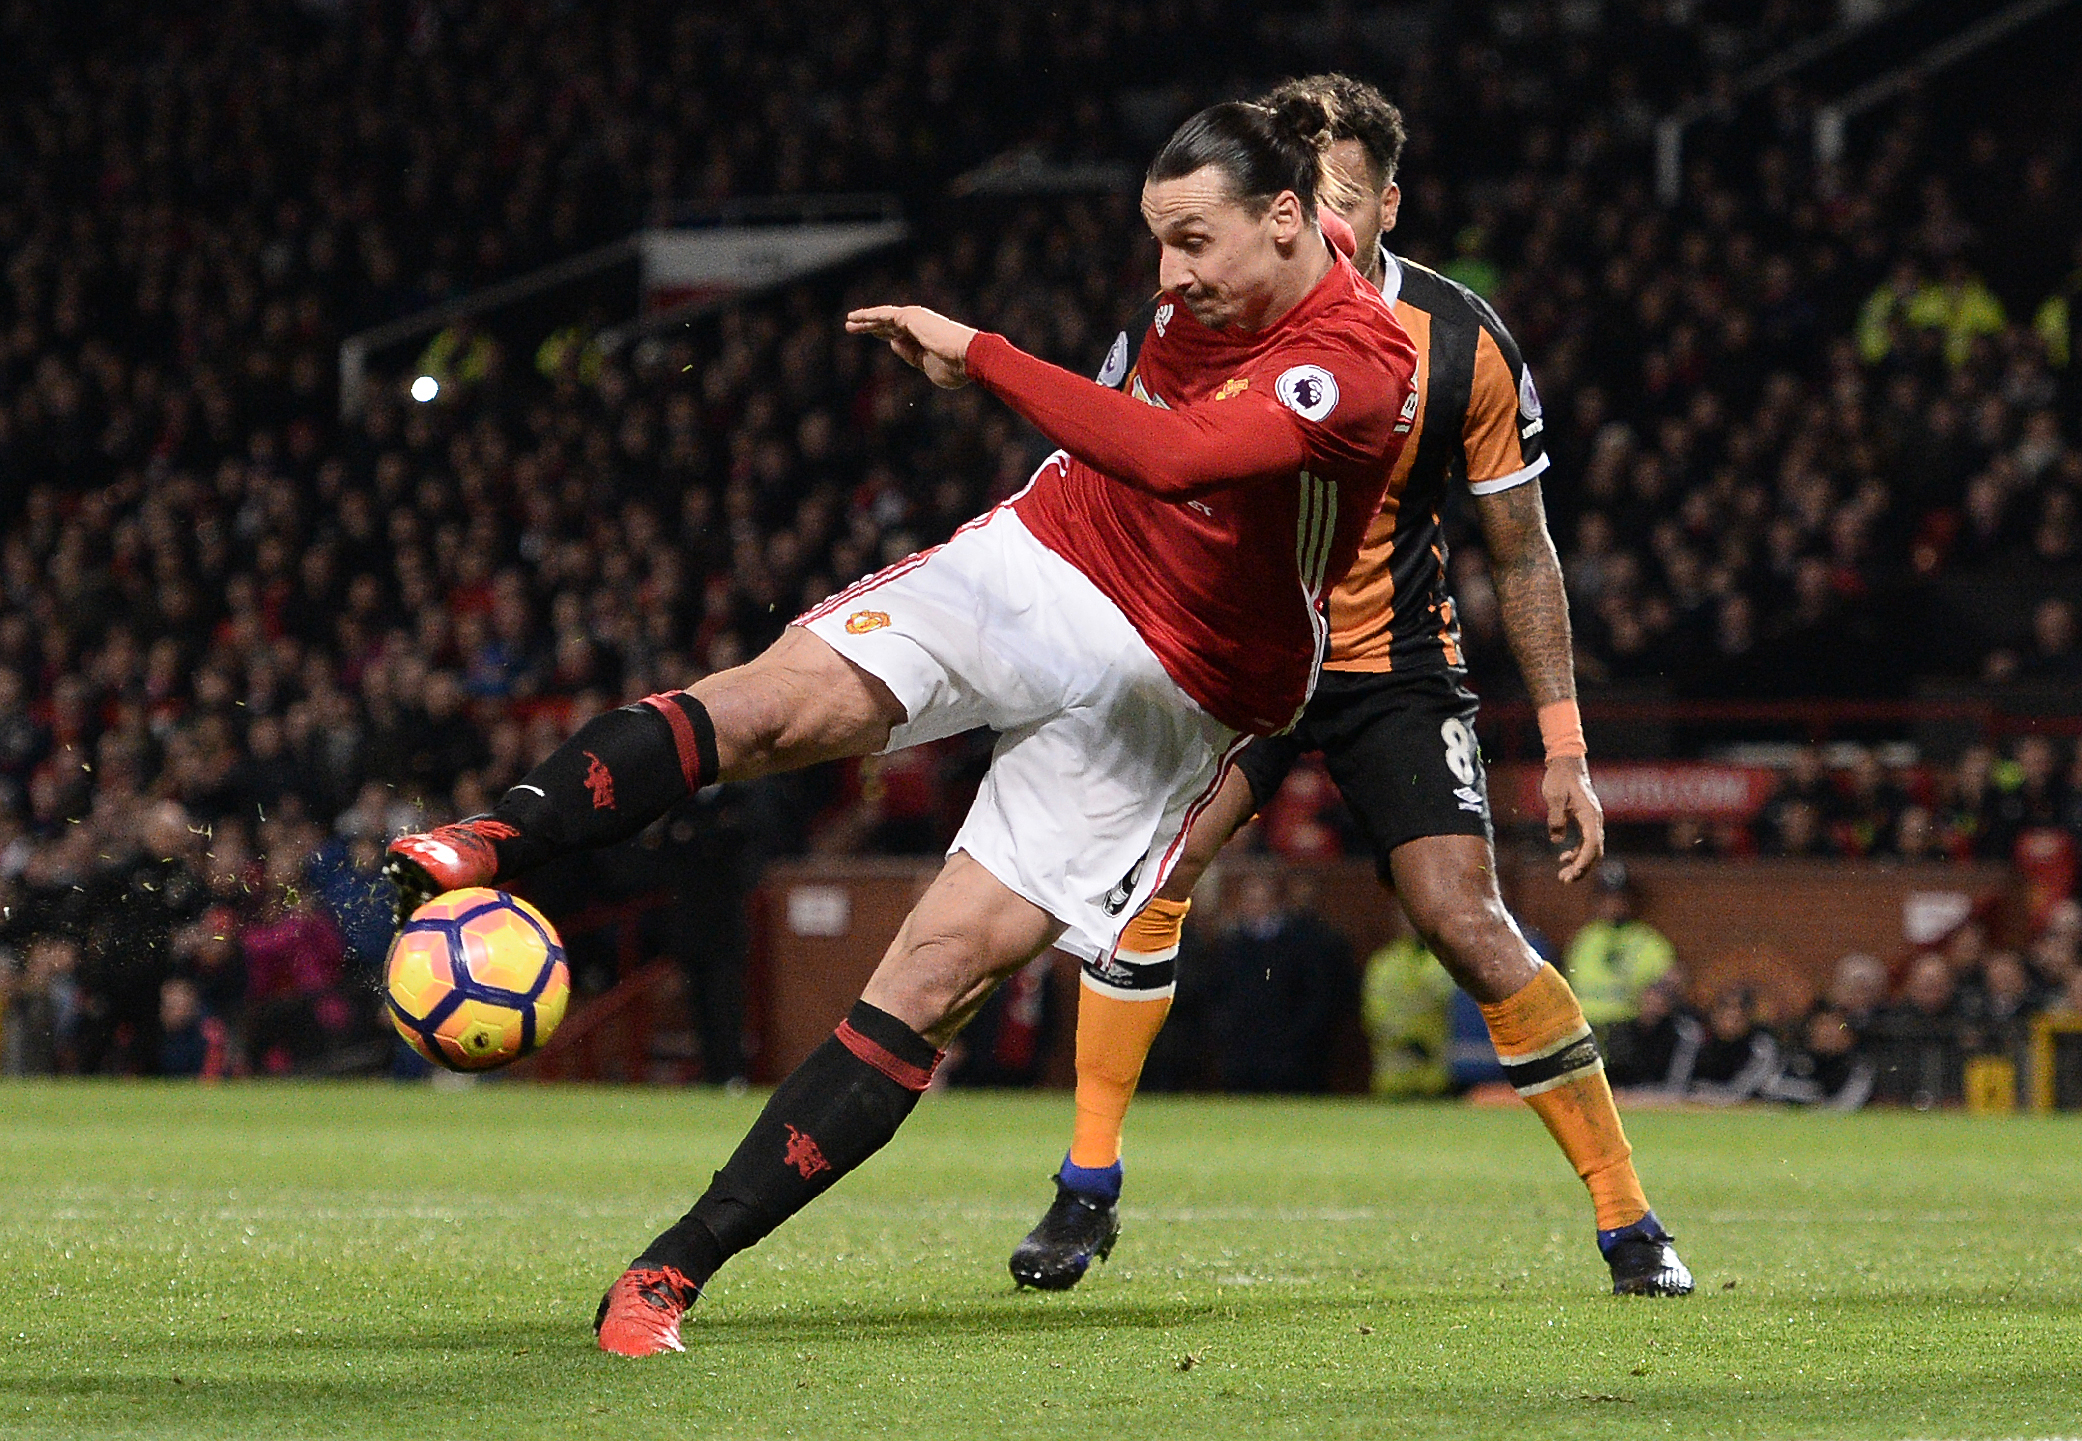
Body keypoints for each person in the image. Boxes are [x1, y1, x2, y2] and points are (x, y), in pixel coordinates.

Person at [383, 94, 1419, 1356]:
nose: (1170, 273)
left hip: (1188, 687)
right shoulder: (1198, 291)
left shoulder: (1362, 358)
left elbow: (1183, 459)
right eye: (1157, 240)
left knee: (939, 975)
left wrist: (981, 353)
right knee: (770, 706)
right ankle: (488, 843)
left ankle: (668, 1272)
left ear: (1288, 218)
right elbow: (1123, 454)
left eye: (1195, 241)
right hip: (1054, 555)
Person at [1008, 73, 1691, 1303]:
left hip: (1392, 666)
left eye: (1340, 198)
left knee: (1466, 925)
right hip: (1232, 652)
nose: (1317, 223)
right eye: (1297, 197)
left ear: (1386, 201)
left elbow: (1520, 547)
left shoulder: (1463, 339)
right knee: (1144, 891)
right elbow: (1106, 473)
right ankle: (1086, 1186)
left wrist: (1569, 744)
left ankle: (1631, 1221)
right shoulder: (1194, 315)